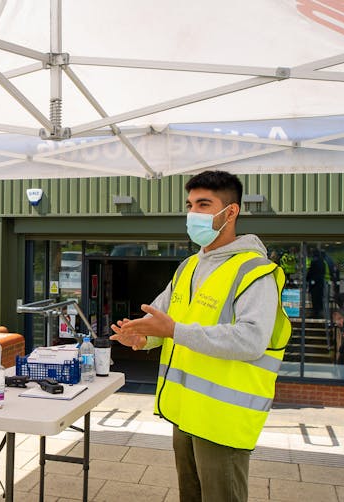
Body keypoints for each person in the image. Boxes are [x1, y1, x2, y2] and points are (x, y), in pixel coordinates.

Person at [110, 170, 291, 502]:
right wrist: (141, 338)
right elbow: (162, 321)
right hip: (185, 415)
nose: (193, 213)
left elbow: (251, 341)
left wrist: (173, 331)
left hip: (223, 422)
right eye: (190, 204)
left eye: (204, 204)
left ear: (231, 212)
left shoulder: (256, 272)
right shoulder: (189, 267)